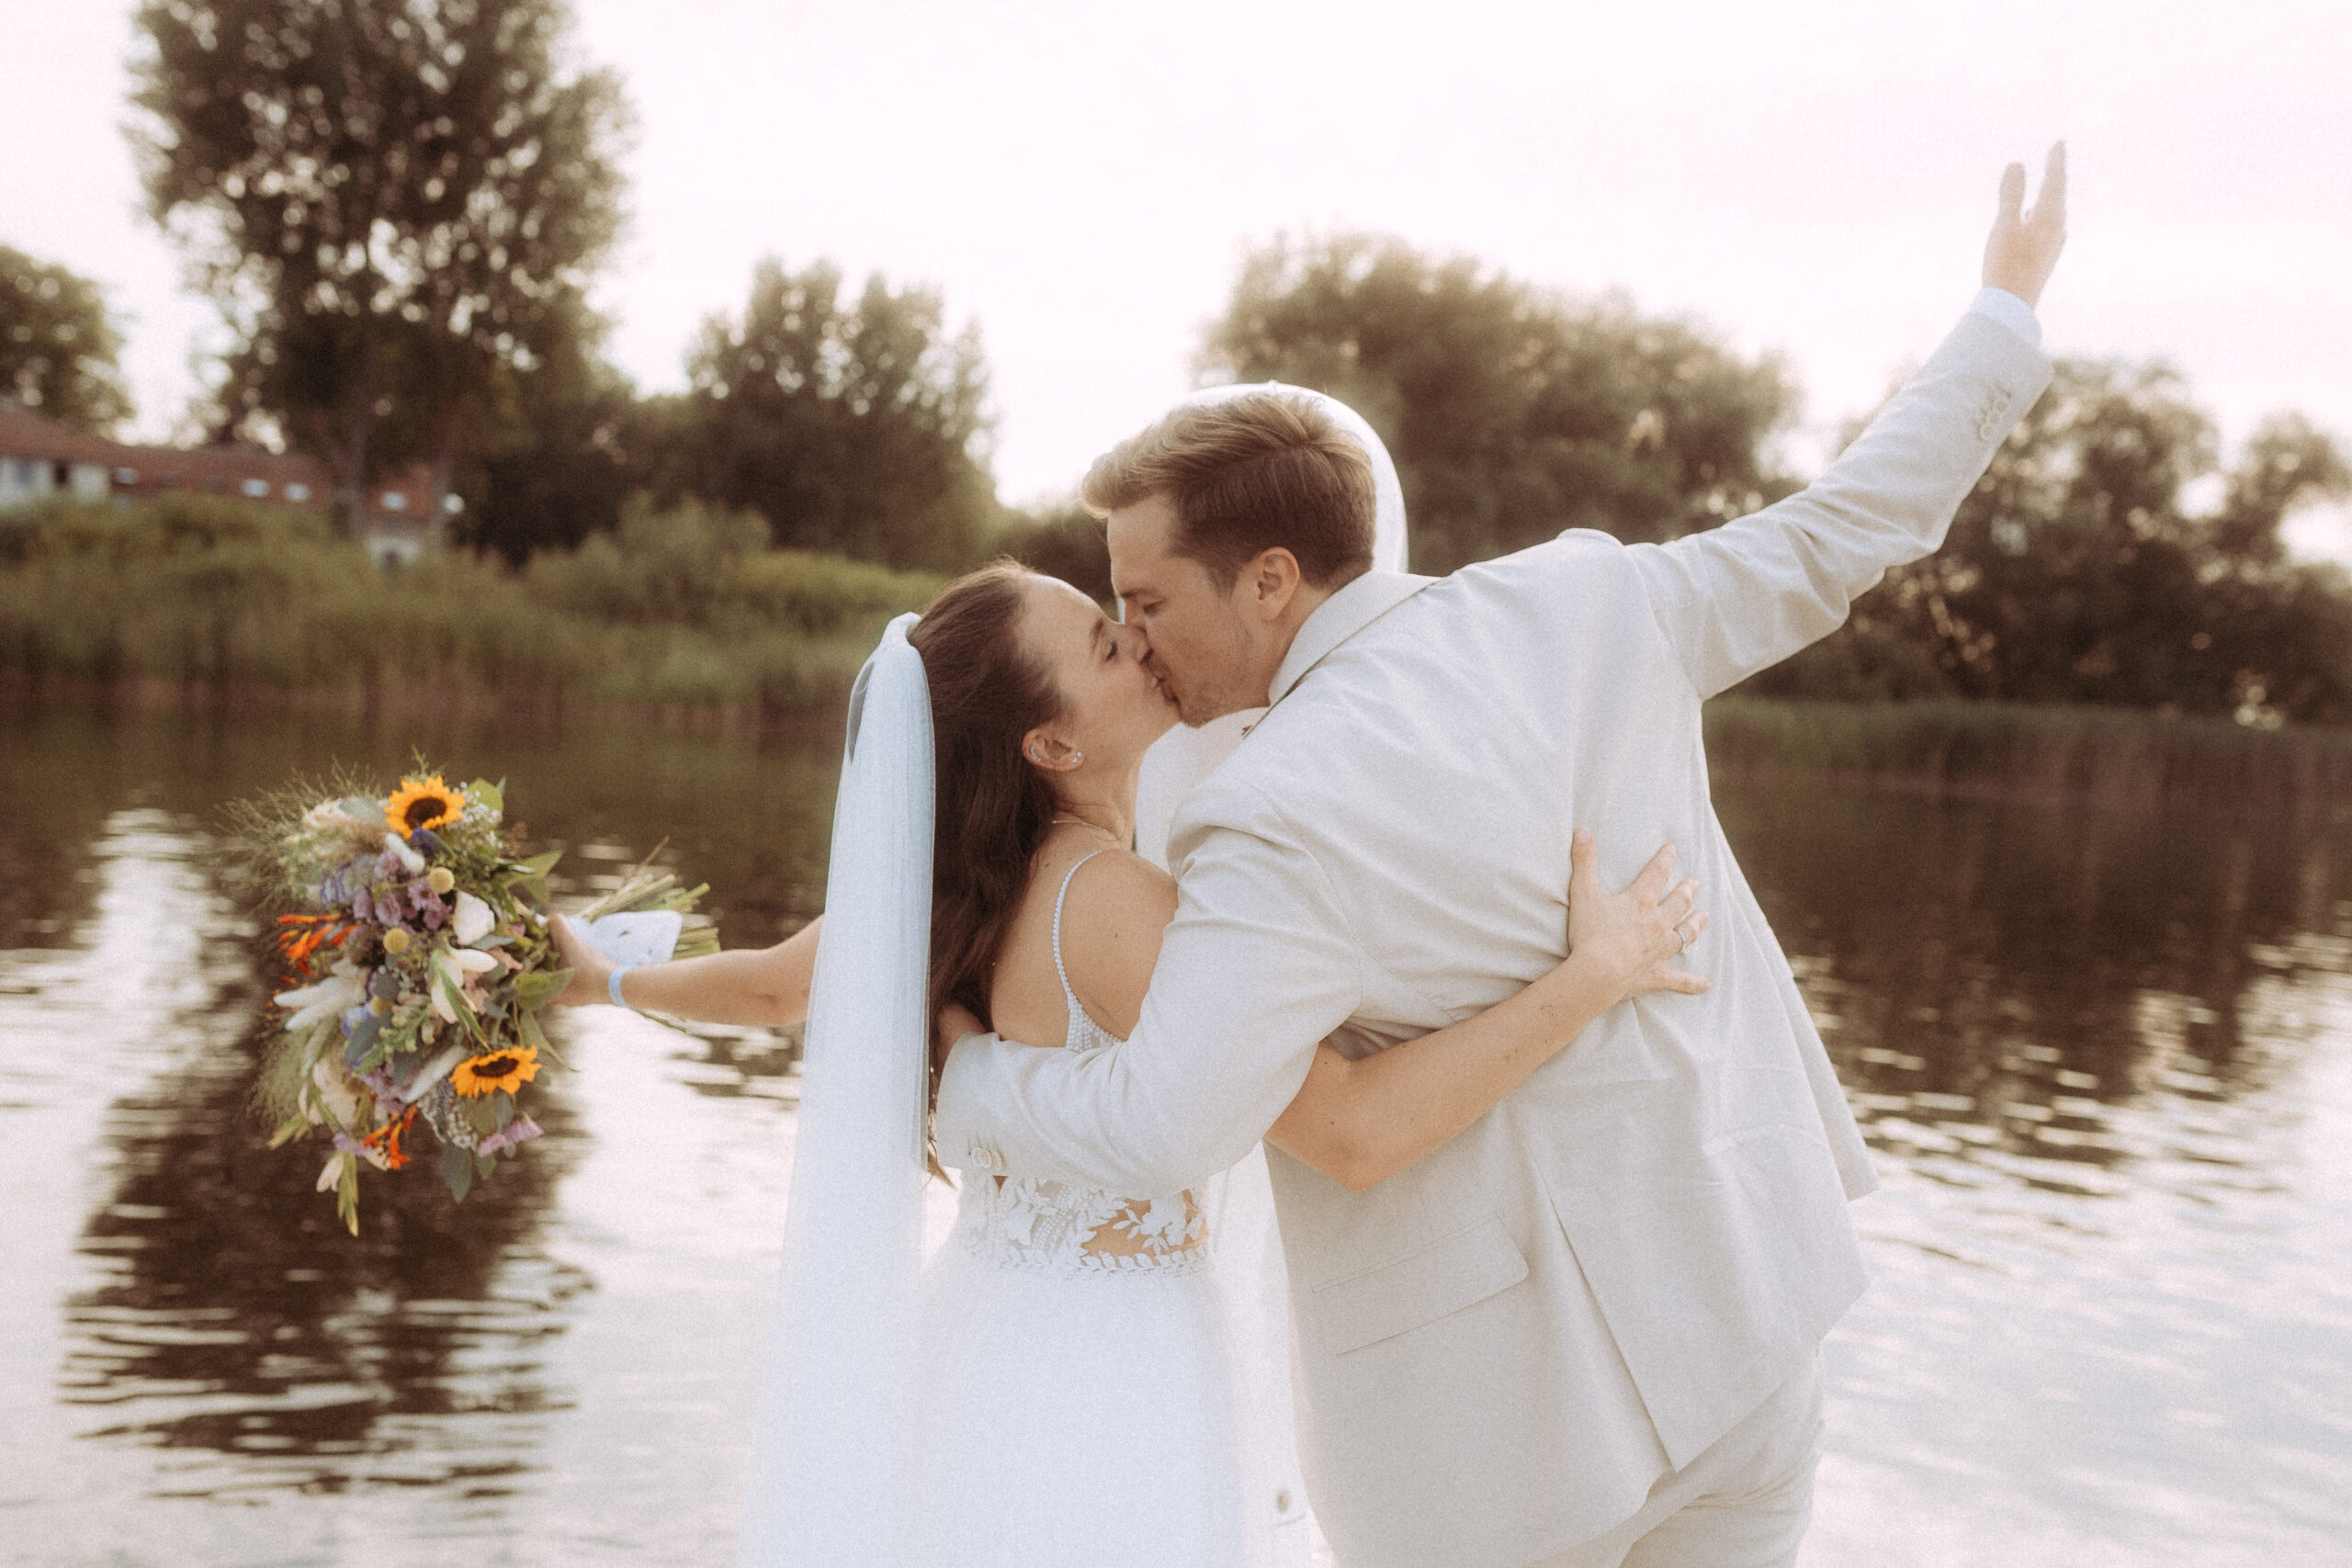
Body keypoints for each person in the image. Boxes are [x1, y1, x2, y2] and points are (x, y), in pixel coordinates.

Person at [928, 146, 2069, 1568]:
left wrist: (976, 1083)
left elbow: (1168, 1124)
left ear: (1270, 578)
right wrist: (2003, 313)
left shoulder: (1266, 813)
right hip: (1747, 1328)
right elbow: (1846, 529)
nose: (1138, 639)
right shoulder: (1591, 598)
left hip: (1497, 1450)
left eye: (1145, 599)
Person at [552, 565, 1714, 1565]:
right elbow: (1350, 1131)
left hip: (979, 1327)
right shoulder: (1114, 904)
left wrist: (601, 982)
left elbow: (772, 987)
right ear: (1052, 744)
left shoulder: (944, 894)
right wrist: (1592, 976)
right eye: (1107, 647)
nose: (1141, 643)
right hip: (1111, 1369)